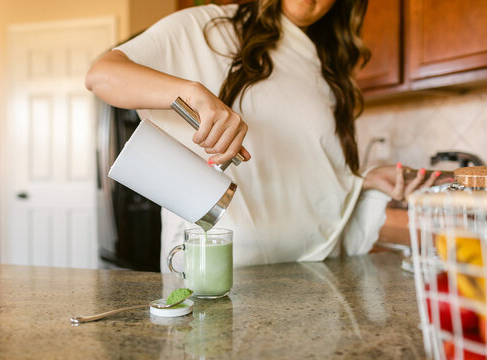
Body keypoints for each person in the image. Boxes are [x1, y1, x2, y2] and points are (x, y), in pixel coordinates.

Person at [86, 0, 444, 270]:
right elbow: (102, 75)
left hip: (310, 280)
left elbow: (307, 183)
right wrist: (194, 93)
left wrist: (360, 184)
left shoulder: (328, 71)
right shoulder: (208, 27)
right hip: (218, 275)